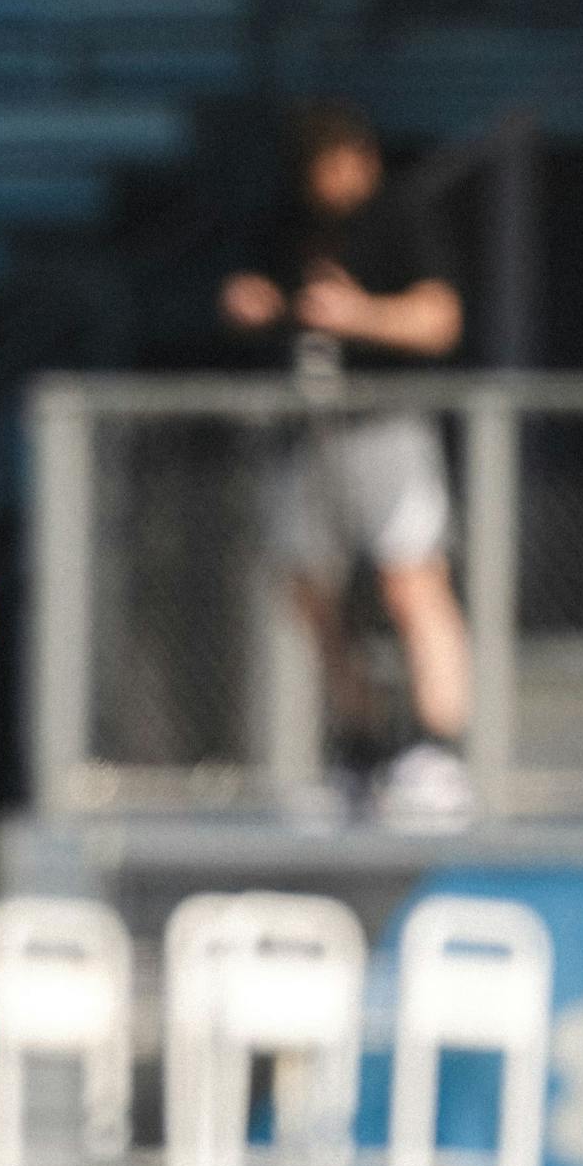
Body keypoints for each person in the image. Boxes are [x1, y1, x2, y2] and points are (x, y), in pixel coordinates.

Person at [219, 101, 472, 823]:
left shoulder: (401, 214)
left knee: (411, 581)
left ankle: (438, 748)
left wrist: (356, 314)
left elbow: (440, 320)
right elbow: (248, 298)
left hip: (387, 427)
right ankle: (359, 747)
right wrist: (256, 307)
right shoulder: (287, 221)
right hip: (305, 433)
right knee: (310, 596)